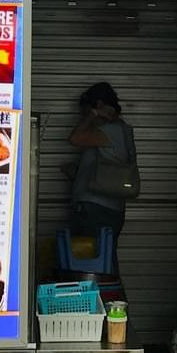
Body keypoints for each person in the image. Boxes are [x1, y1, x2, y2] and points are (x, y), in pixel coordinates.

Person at [67, 82, 137, 270]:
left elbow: (75, 138)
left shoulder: (111, 130)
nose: (83, 118)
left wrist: (93, 114)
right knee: (104, 262)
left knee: (92, 265)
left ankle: (103, 291)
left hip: (97, 211)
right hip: (106, 209)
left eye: (85, 112)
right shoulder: (118, 130)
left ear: (98, 105)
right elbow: (108, 165)